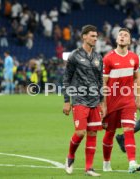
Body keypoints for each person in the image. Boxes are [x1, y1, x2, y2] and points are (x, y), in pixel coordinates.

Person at [62, 25, 103, 177]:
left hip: (94, 100)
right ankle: (70, 157)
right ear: (84, 36)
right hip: (79, 99)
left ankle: (89, 168)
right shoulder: (74, 56)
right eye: (92, 35)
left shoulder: (99, 57)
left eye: (96, 36)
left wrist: (102, 102)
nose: (95, 38)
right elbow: (66, 78)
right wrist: (67, 101)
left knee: (92, 133)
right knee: (80, 132)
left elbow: (100, 81)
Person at [101, 28, 140, 173]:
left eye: (126, 35)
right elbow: (103, 83)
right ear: (116, 39)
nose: (122, 37)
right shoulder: (108, 58)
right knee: (110, 133)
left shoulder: (134, 58)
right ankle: (106, 163)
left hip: (128, 101)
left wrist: (138, 98)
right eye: (120, 35)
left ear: (129, 41)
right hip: (112, 101)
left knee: (128, 130)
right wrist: (103, 105)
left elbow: (137, 78)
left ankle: (132, 162)